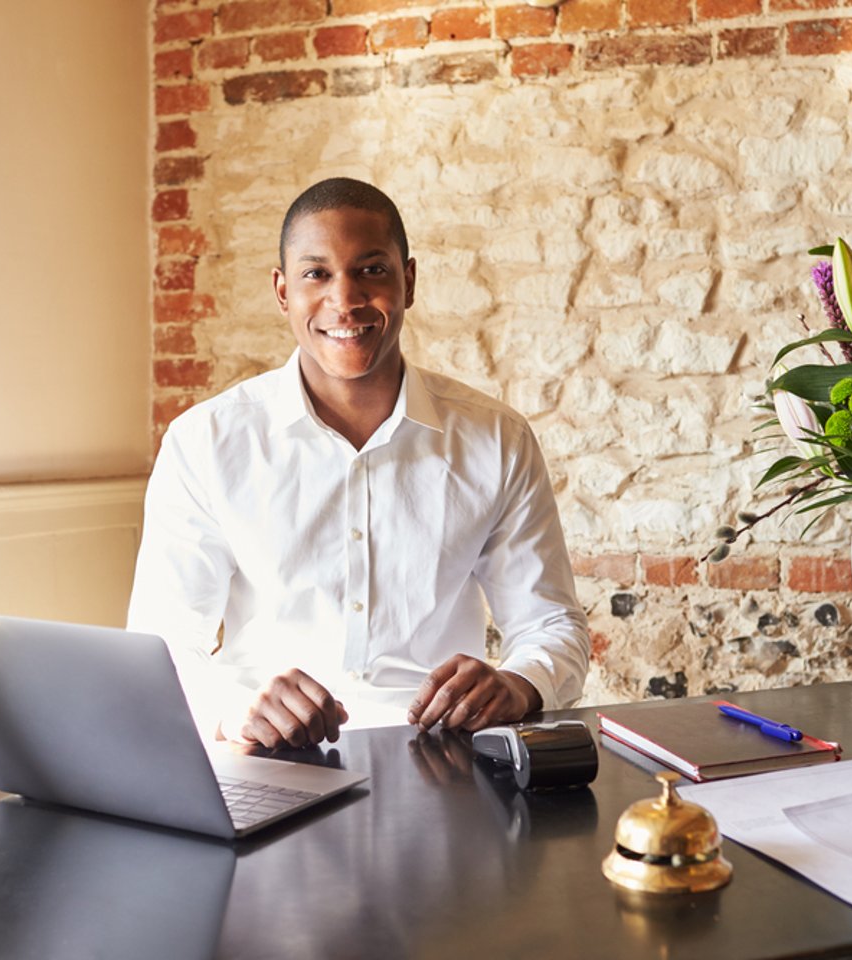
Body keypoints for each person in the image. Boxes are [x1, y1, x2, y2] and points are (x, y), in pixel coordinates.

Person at [127, 177, 589, 750]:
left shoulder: (496, 438)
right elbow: (161, 644)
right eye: (316, 274)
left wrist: (519, 684)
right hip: (259, 757)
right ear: (282, 292)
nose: (344, 300)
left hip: (439, 758)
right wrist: (232, 710)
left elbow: (551, 624)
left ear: (409, 281)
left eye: (371, 270)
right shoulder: (205, 442)